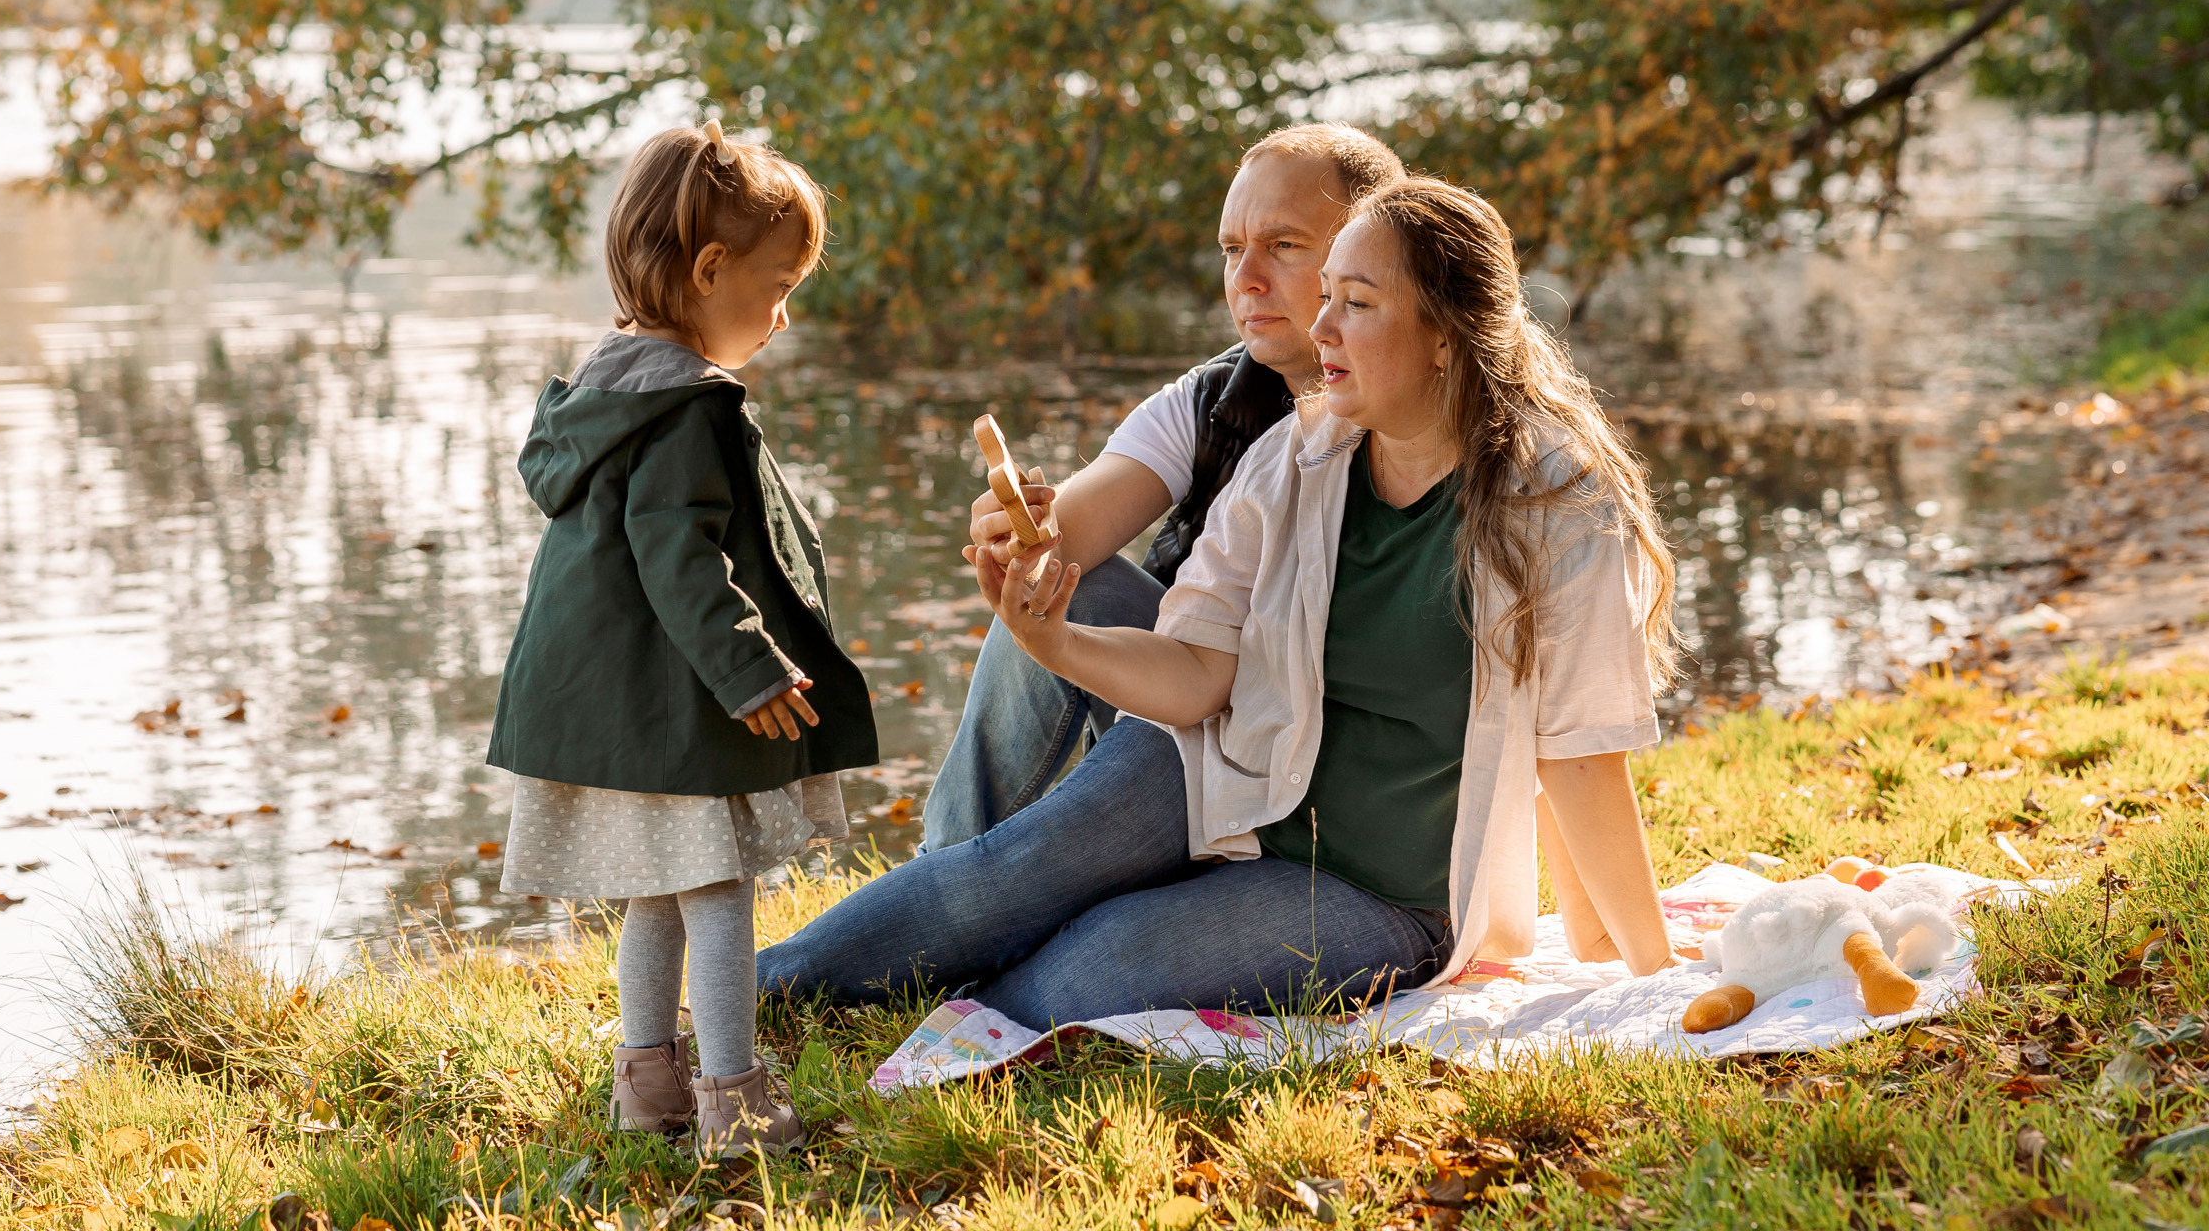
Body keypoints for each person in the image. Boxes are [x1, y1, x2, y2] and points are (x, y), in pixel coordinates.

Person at [762, 176, 1681, 1026]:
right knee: (1009, 876)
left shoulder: (1555, 504)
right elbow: (1200, 669)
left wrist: (1654, 977)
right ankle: (738, 999)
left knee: (1088, 975)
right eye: (1326, 298)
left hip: (1377, 896)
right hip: (1232, 779)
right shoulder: (1295, 458)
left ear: (1446, 335)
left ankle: (922, 997)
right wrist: (1055, 643)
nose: (1322, 329)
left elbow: (1580, 758)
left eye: (1356, 305)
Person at [485, 119, 876, 1155]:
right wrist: (750, 670)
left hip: (618, 704)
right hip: (678, 702)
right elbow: (680, 557)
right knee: (717, 895)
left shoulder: (605, 389)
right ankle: (735, 1101)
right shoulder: (686, 409)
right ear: (710, 269)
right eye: (779, 283)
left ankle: (646, 1082)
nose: (784, 313)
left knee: (655, 893)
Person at [923, 123, 1409, 848]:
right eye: (1231, 249)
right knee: (1067, 583)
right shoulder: (1210, 401)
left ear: (1368, 252)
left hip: (1325, 760)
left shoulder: (1424, 420)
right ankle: (946, 863)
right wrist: (1018, 530)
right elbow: (1060, 549)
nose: (1245, 280)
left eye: (1282, 246)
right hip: (1184, 694)